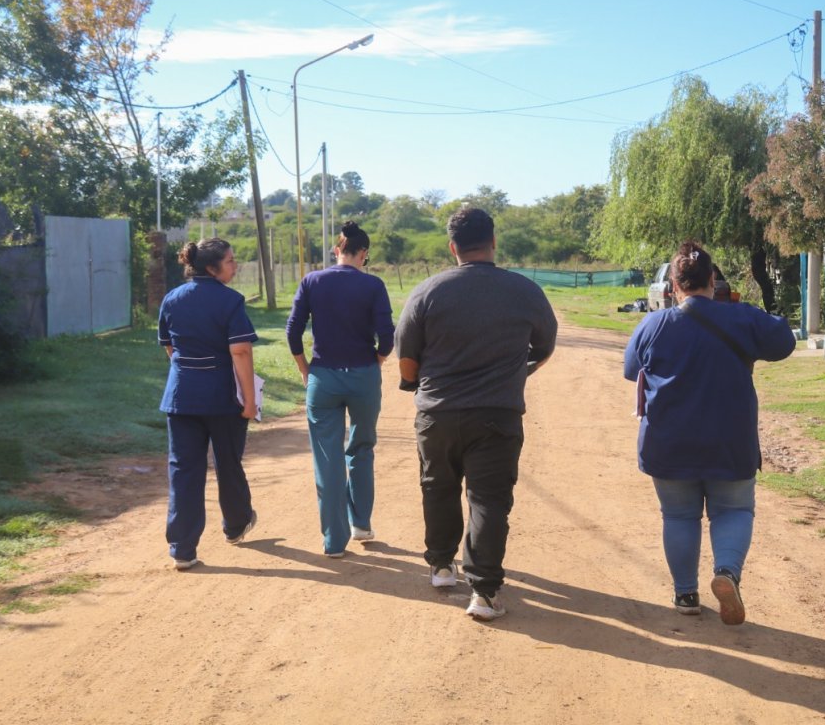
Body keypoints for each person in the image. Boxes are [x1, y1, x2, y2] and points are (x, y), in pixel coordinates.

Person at [395, 208, 558, 621]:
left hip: (437, 414)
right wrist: (517, 373)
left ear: (453, 247)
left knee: (437, 487)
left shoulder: (427, 291)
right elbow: (544, 347)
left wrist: (416, 384)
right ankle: (484, 593)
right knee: (489, 499)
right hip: (497, 414)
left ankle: (441, 566)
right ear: (494, 242)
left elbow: (406, 357)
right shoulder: (525, 291)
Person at [623, 240, 795, 624]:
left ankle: (685, 594)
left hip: (668, 444)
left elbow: (631, 369)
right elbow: (784, 341)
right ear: (713, 280)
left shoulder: (652, 324)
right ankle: (727, 573)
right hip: (729, 441)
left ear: (674, 285)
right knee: (733, 510)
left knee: (678, 516)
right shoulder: (742, 318)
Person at [286, 221, 395, 558]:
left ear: (337, 250)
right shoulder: (373, 285)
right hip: (363, 375)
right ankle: (361, 523)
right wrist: (376, 362)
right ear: (363, 254)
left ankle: (334, 541)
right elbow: (387, 336)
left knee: (327, 458)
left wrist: (304, 369)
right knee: (361, 448)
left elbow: (292, 331)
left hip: (323, 377)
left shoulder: (312, 281)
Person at [157, 238, 259, 571]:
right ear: (212, 268)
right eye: (230, 261)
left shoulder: (172, 298)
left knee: (183, 470)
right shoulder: (231, 301)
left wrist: (189, 372)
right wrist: (250, 400)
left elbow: (170, 347)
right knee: (228, 462)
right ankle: (236, 524)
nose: (235, 266)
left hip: (181, 397)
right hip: (222, 398)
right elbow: (240, 351)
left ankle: (182, 548)